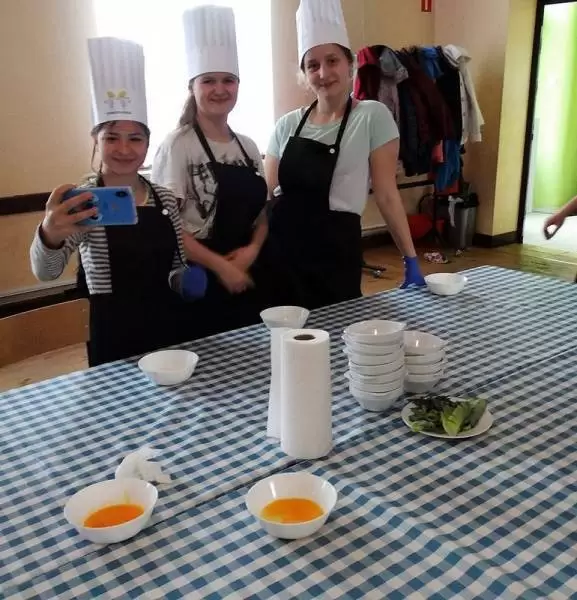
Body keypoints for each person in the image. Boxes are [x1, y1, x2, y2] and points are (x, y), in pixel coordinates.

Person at [30, 37, 203, 367]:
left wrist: (186, 280)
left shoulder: (165, 198)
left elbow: (176, 265)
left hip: (167, 327)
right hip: (111, 334)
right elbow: (46, 273)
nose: (124, 149)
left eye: (135, 138)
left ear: (147, 144)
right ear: (96, 141)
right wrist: (49, 235)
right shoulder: (83, 201)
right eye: (112, 138)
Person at [264, 0, 426, 310]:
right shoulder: (287, 125)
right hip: (284, 251)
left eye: (332, 60)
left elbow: (387, 194)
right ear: (304, 74)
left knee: (339, 328)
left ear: (349, 64)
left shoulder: (372, 116)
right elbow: (268, 194)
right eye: (312, 65)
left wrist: (410, 258)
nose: (323, 73)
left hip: (336, 252)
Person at [152, 5, 269, 336]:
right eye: (209, 81)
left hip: (244, 266)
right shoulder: (178, 145)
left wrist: (252, 251)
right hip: (198, 274)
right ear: (192, 87)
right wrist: (220, 267)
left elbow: (262, 215)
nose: (220, 89)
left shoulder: (247, 146)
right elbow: (168, 226)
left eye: (228, 80)